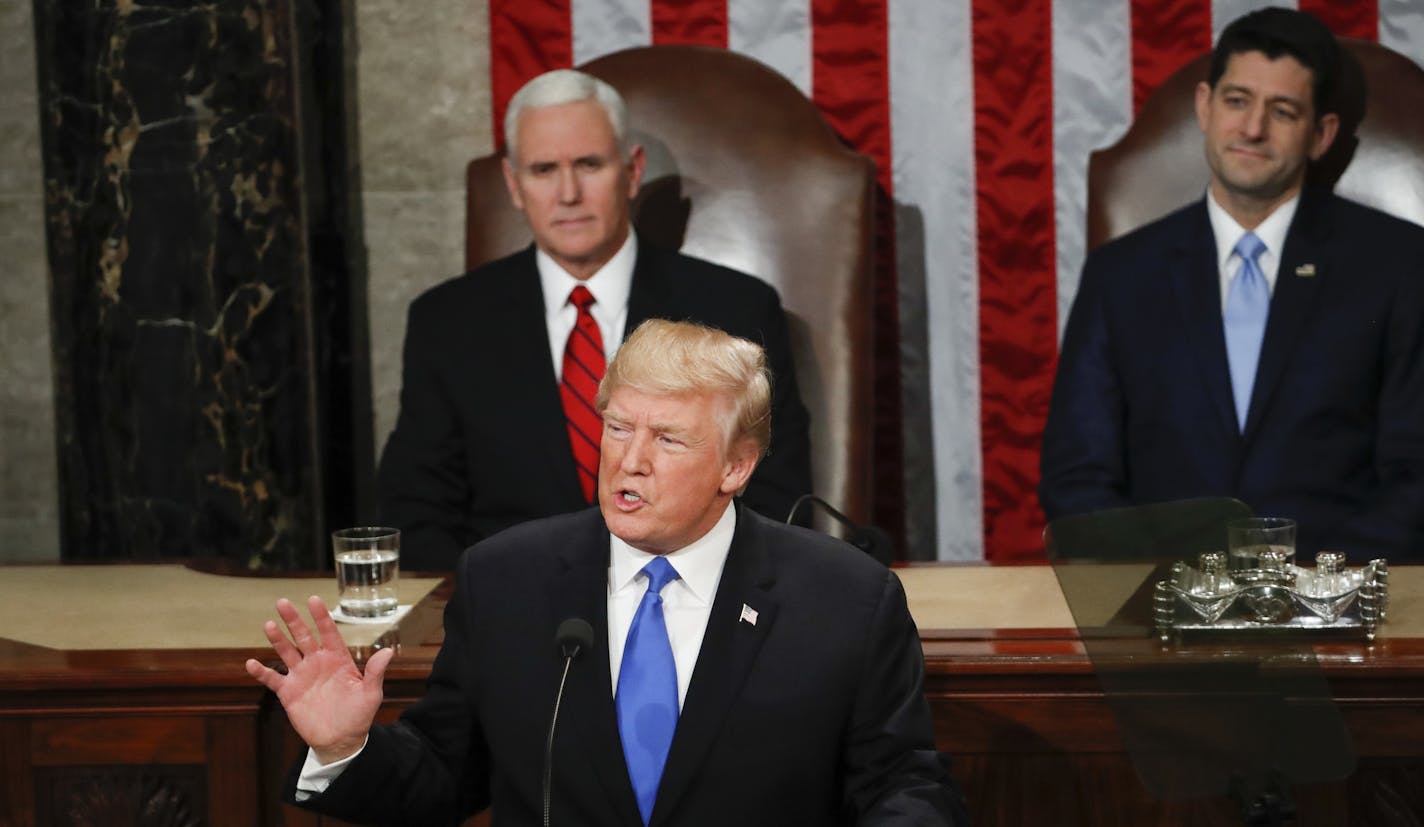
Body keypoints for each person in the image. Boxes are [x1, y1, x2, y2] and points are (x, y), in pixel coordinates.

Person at [249, 320, 966, 826]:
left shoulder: (843, 599)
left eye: (669, 438)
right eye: (619, 427)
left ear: (736, 465)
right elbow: (443, 778)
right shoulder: (507, 581)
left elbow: (901, 784)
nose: (631, 458)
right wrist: (345, 747)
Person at [378, 69, 812, 571]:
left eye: (588, 164)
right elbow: (416, 512)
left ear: (631, 171)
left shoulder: (734, 309)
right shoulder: (448, 322)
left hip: (690, 605)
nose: (568, 193)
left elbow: (775, 497)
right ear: (514, 185)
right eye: (543, 170)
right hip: (513, 609)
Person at [1040, 7, 1424, 561]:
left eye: (1283, 110)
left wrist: (1315, 590)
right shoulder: (1119, 276)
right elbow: (1077, 475)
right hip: (1166, 614)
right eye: (1237, 101)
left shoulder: (1398, 265)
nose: (1252, 128)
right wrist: (1159, 590)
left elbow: (1416, 475)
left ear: (1320, 135)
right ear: (1205, 106)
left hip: (1340, 613)